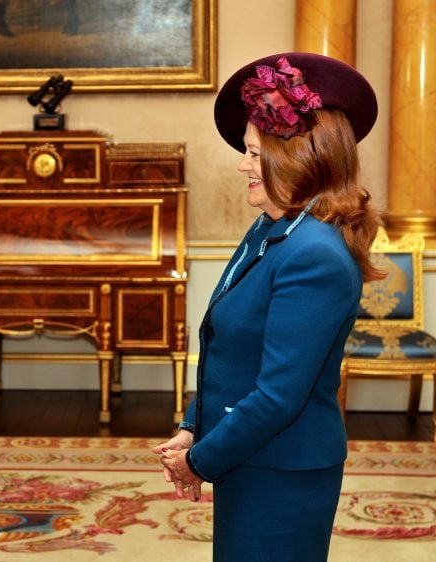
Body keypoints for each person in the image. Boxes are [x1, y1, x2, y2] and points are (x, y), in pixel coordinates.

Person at [152, 52, 383, 561]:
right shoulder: (274, 228)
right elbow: (235, 353)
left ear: (298, 158)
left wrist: (201, 460)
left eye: (255, 154)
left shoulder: (314, 254)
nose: (242, 164)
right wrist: (195, 424)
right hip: (253, 454)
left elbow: (279, 395)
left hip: (281, 468)